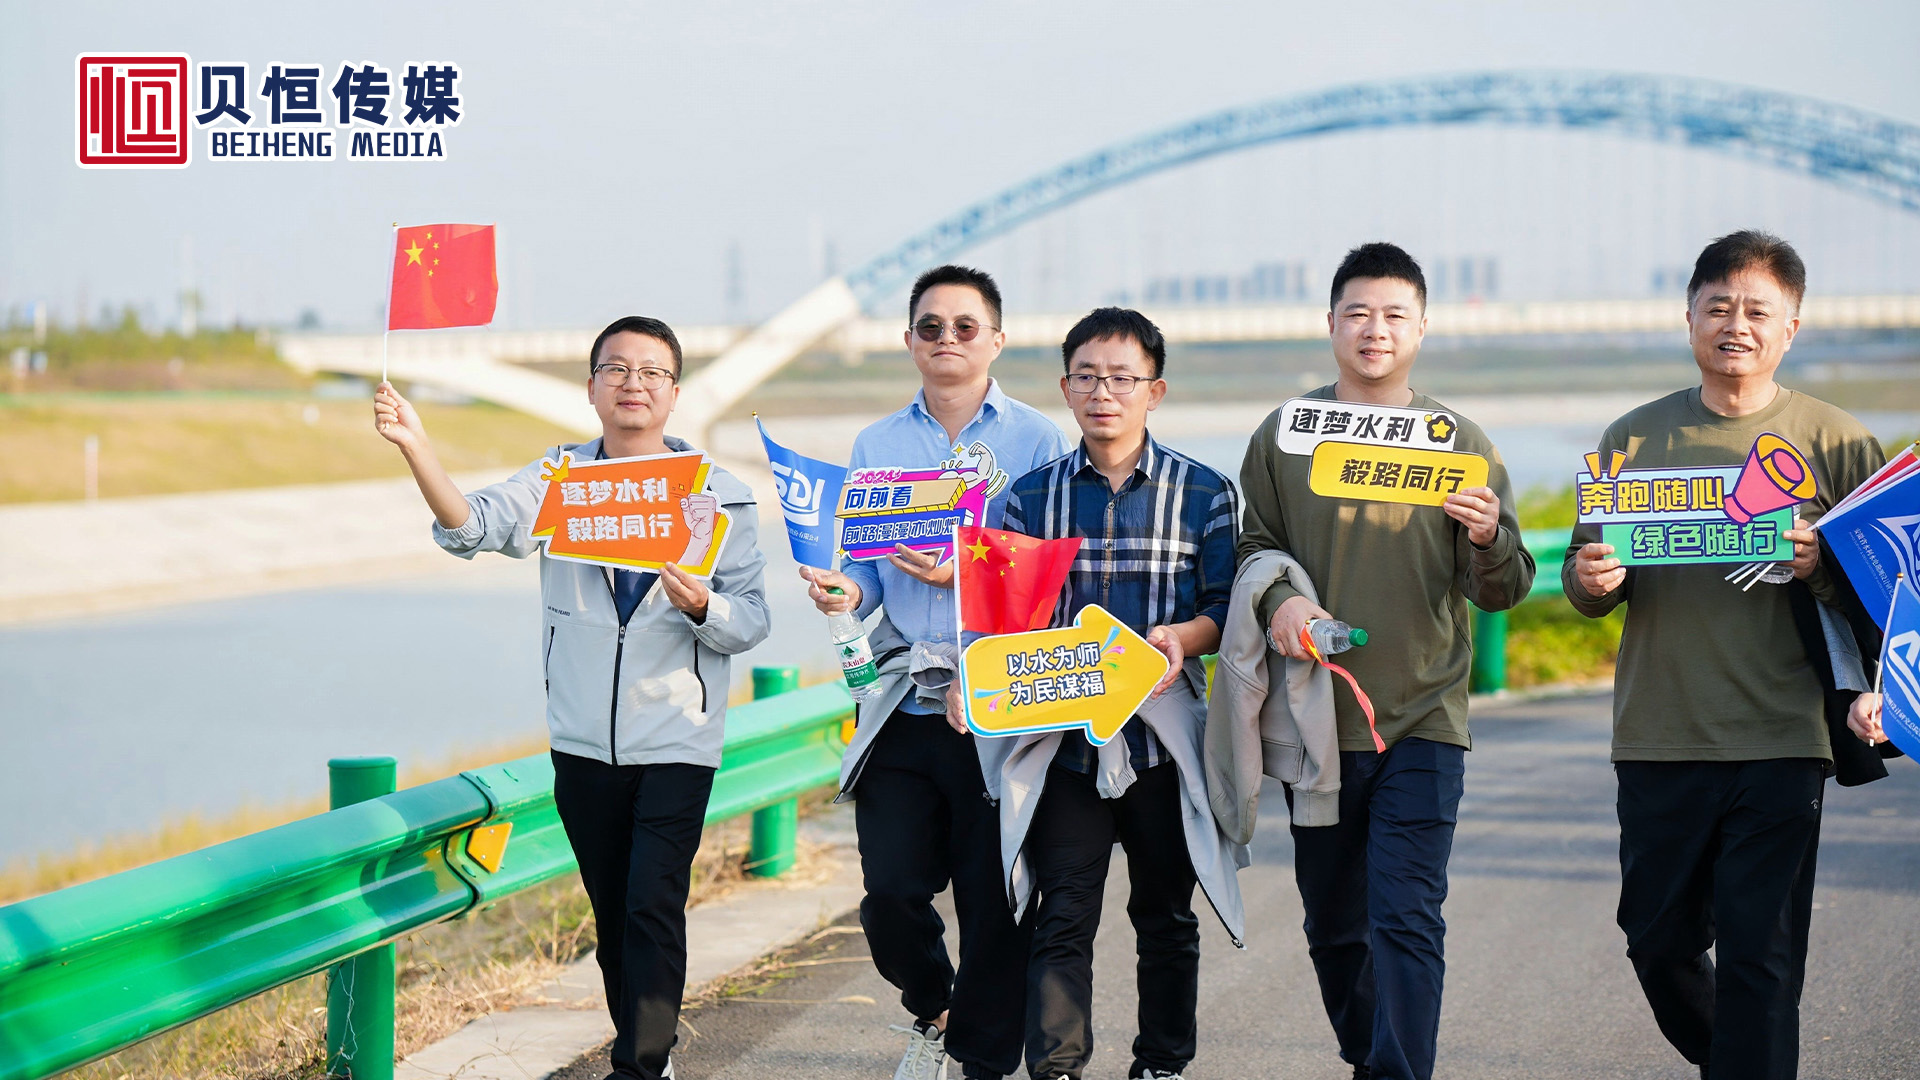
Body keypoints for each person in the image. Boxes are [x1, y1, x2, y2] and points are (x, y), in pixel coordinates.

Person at [374, 315, 770, 1080]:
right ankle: (648, 1050)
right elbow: (472, 528)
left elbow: (749, 620)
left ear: (675, 393)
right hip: (584, 742)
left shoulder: (719, 496)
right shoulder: (561, 483)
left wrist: (702, 606)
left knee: (653, 903)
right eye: (615, 369)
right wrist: (418, 448)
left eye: (651, 372)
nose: (633, 384)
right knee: (615, 915)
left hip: (677, 737)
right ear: (590, 388)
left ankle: (640, 1066)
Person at [1564, 231, 1888, 1079]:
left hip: (1785, 735)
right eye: (1718, 307)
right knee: (1656, 941)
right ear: (1689, 318)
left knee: (1760, 955)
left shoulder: (1838, 442)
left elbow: (1892, 590)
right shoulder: (1634, 438)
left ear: (1791, 328)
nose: (1735, 325)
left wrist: (1821, 569)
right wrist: (1591, 579)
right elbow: (1586, 574)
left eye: (1757, 311)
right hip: (1659, 732)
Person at [1236, 242, 1534, 1080]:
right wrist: (1278, 599)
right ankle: (1375, 1062)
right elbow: (1251, 548)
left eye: (1395, 314)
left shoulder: (1459, 441)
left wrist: (1489, 535)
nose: (1376, 329)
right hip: (1314, 723)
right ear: (1330, 323)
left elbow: (1506, 587)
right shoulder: (1285, 435)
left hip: (1423, 719)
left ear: (1422, 328)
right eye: (1358, 313)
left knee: (1406, 916)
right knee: (1335, 928)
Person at [801, 265, 1070, 1080]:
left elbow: (1049, 571)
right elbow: (867, 564)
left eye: (964, 326)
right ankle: (935, 1003)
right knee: (890, 891)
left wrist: (969, 569)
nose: (946, 339)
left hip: (994, 701)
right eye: (930, 326)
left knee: (994, 903)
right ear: (909, 340)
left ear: (997, 339)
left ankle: (982, 1061)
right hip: (903, 701)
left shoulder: (1037, 441)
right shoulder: (877, 446)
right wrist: (849, 590)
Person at [992, 307, 1248, 1080]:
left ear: (1154, 390)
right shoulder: (1029, 499)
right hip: (1068, 746)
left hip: (1162, 745)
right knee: (1063, 916)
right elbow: (1009, 625)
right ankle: (1058, 1068)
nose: (1104, 393)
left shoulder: (1205, 492)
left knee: (1164, 917)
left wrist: (1181, 639)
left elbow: (1225, 608)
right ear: (1066, 387)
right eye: (1088, 377)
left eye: (1122, 378)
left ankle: (1161, 1063)